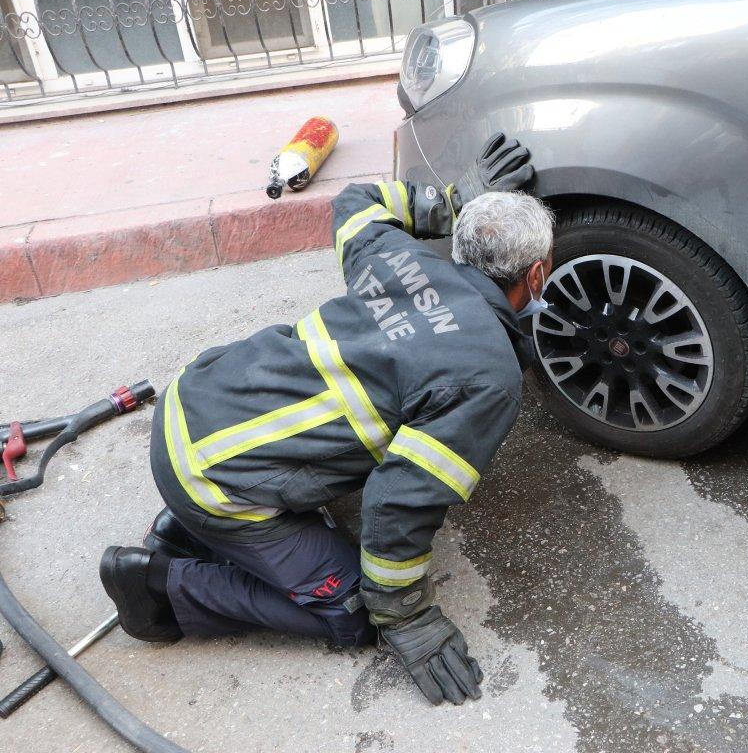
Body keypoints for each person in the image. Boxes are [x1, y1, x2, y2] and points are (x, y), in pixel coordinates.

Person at [98, 134, 554, 707]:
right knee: (355, 613)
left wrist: (454, 200)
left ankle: (187, 529)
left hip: (194, 399)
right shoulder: (486, 378)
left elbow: (358, 201)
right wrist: (403, 615)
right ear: (535, 276)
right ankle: (164, 590)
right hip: (210, 477)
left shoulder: (399, 257)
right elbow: (398, 502)